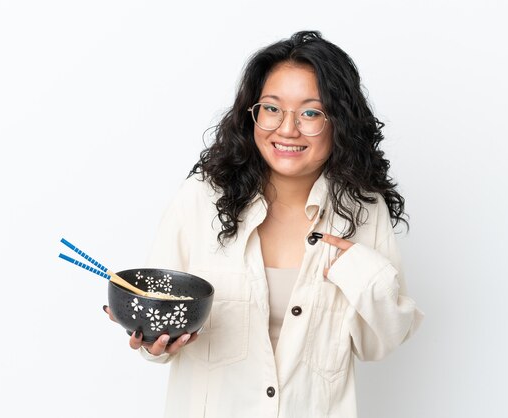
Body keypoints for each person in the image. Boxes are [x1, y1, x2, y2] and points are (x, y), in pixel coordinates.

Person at [104, 30, 424, 417]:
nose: (287, 129)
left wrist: (361, 270)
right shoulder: (201, 200)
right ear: (251, 114)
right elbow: (162, 322)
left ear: (339, 121)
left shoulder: (362, 209)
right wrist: (154, 342)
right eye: (272, 108)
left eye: (310, 113)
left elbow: (380, 344)